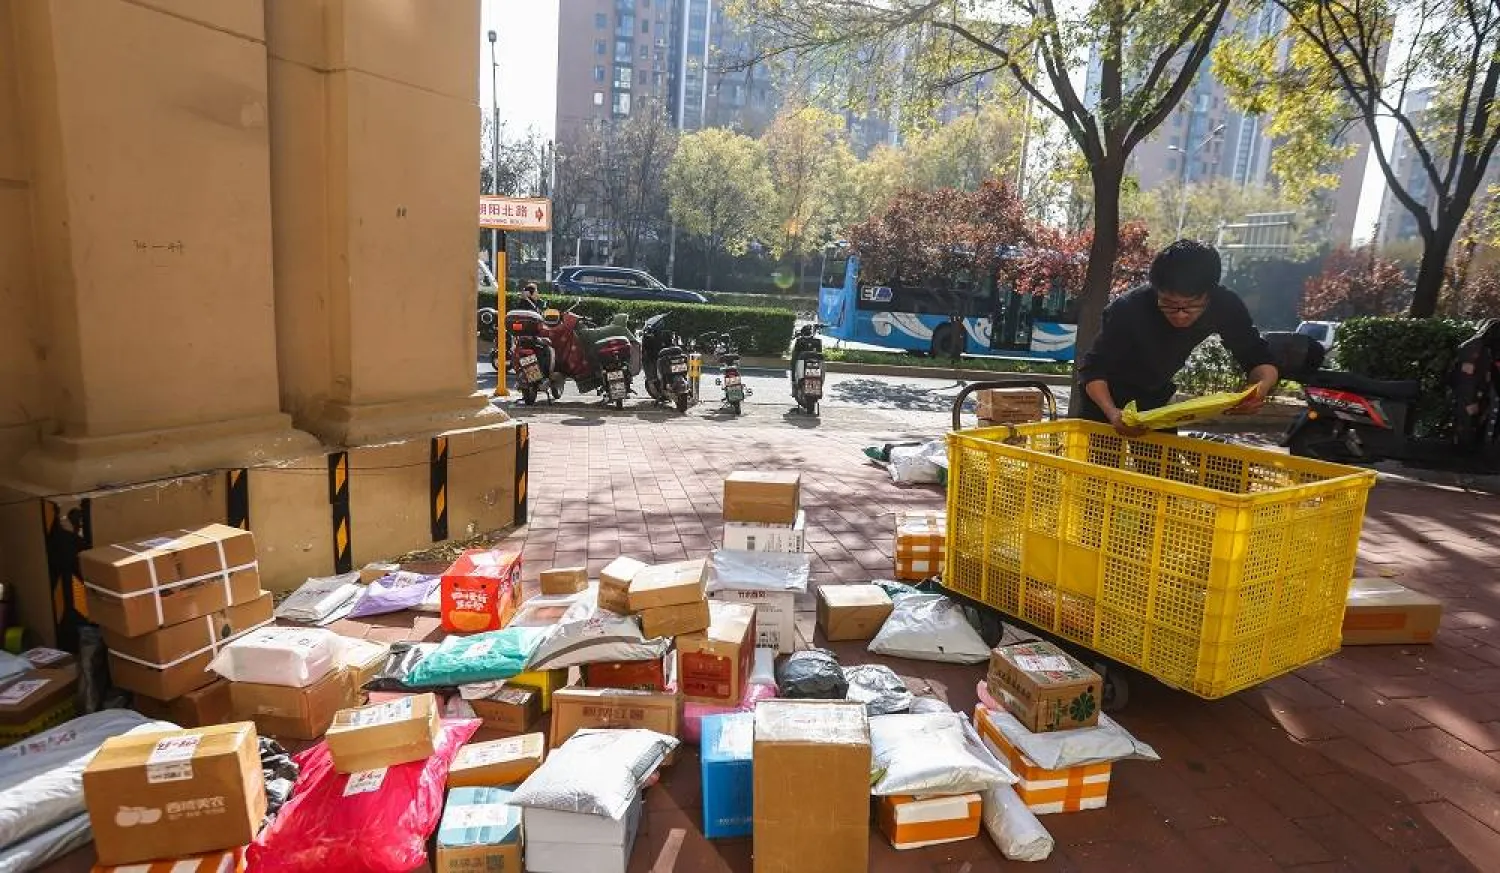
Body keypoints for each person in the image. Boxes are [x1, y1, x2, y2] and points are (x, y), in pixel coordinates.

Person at [1076, 239, 1279, 437]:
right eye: (1169, 304)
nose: (1180, 315)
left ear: (1210, 293)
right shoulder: (1128, 308)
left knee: (1162, 459)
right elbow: (1094, 369)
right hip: (1105, 398)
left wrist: (1257, 390)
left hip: (1156, 399)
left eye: (1191, 305)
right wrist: (1112, 412)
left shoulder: (1225, 305)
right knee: (1100, 458)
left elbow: (1258, 357)